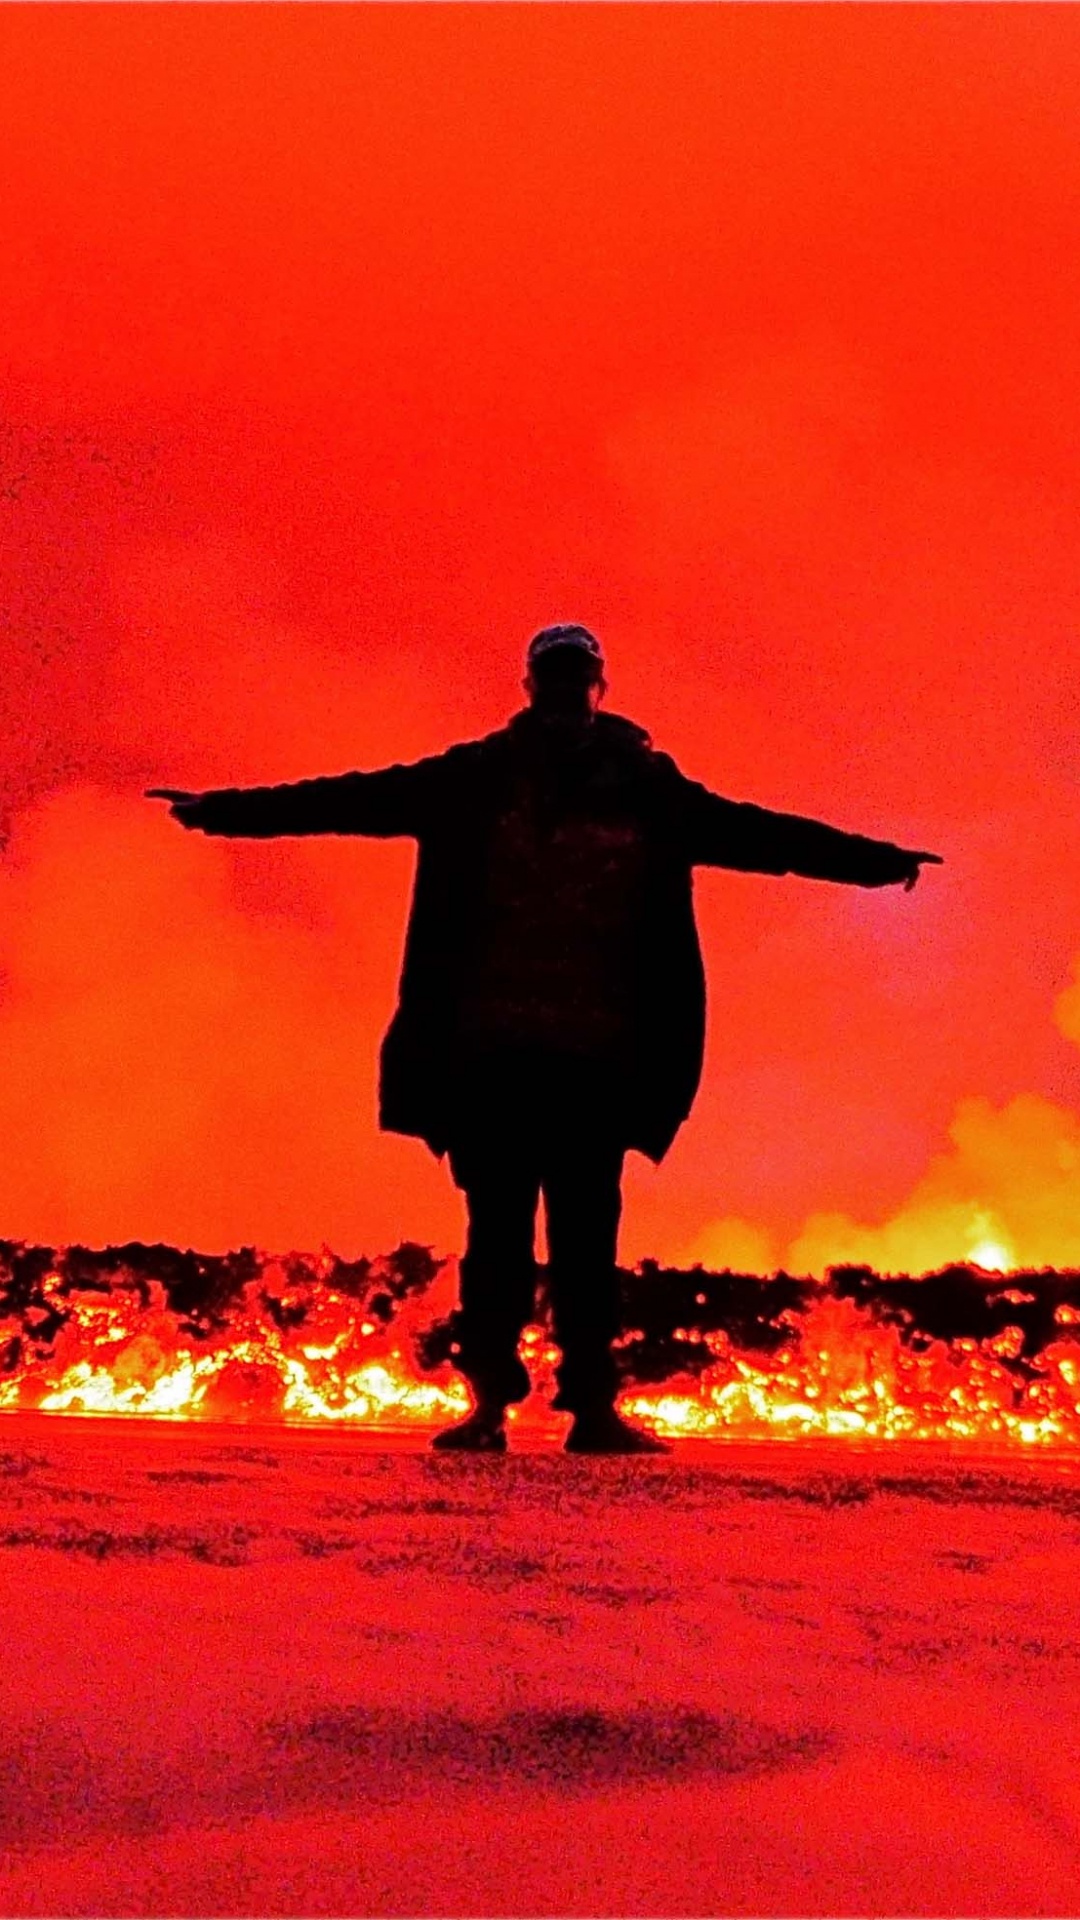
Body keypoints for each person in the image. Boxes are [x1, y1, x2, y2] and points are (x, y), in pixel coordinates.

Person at [147, 623, 943, 1454]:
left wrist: (874, 862)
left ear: (597, 690)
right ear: (534, 689)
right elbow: (350, 800)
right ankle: (494, 1403)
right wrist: (227, 814)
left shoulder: (646, 790)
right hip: (492, 1058)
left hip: (593, 1064)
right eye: (555, 681)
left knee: (584, 1242)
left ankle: (586, 1408)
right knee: (498, 1239)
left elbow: (763, 837)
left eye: (578, 681)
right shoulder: (474, 781)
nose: (567, 695)